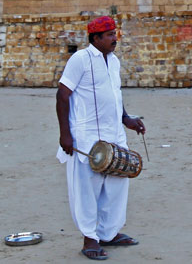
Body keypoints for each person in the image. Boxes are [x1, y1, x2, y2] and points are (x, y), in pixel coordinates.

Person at [57, 15, 146, 261]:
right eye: (109, 35)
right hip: (86, 137)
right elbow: (62, 96)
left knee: (117, 184)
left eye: (114, 34)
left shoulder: (114, 61)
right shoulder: (80, 59)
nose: (114, 39)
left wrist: (127, 119)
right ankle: (90, 239)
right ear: (95, 38)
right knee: (88, 188)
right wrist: (65, 134)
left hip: (114, 134)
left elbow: (114, 95)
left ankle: (109, 233)